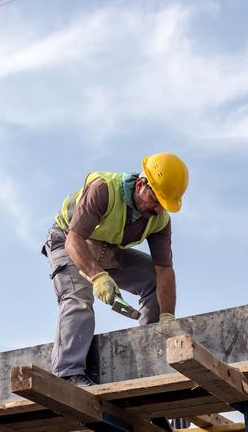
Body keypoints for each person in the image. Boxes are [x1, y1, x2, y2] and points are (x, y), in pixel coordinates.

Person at [42, 153, 189, 386]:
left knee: (151, 278)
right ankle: (69, 374)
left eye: (164, 204)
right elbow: (74, 240)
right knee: (78, 297)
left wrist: (167, 316)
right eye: (157, 200)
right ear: (141, 185)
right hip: (67, 240)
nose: (160, 209)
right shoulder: (103, 189)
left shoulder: (159, 221)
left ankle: (150, 350)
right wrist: (98, 276)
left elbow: (164, 271)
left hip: (106, 249)